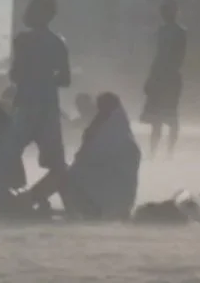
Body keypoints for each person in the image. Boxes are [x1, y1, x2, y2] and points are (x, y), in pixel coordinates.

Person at [28, 91, 140, 220]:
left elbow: (85, 163)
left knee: (59, 174)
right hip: (113, 204)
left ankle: (27, 201)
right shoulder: (123, 138)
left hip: (103, 206)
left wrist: (88, 139)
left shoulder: (111, 139)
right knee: (62, 173)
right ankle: (33, 200)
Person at [6, 0, 71, 185]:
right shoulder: (58, 42)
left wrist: (31, 77)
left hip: (26, 104)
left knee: (8, 152)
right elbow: (66, 79)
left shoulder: (22, 40)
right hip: (49, 106)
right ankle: (69, 201)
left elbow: (15, 74)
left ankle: (11, 192)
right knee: (56, 162)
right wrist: (46, 79)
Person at [142, 1, 187, 156]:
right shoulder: (162, 31)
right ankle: (154, 151)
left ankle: (169, 152)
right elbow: (159, 55)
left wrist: (162, 73)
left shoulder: (180, 32)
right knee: (157, 119)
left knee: (170, 117)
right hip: (161, 77)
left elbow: (178, 56)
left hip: (169, 77)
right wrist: (152, 77)